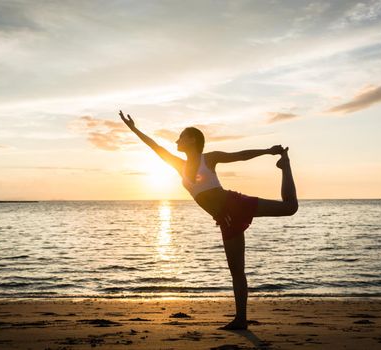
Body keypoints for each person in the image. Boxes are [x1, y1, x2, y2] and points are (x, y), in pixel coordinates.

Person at [120, 110, 298, 330]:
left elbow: (240, 155)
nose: (177, 140)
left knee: (290, 208)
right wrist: (133, 128)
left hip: (235, 204)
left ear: (193, 139)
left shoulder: (209, 158)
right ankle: (241, 320)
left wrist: (268, 151)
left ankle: (286, 165)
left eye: (181, 136)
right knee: (236, 271)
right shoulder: (178, 165)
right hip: (225, 219)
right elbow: (155, 147)